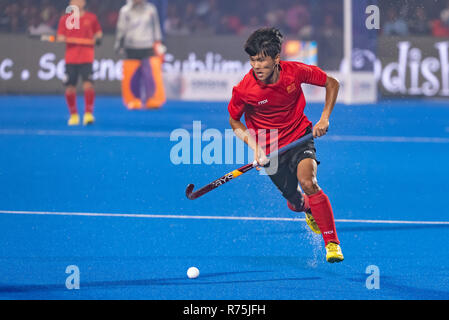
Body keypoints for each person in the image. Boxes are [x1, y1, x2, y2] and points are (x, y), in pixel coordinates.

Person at [228, 28, 343, 263]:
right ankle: (308, 209)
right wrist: (256, 148)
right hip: (269, 150)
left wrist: (324, 118)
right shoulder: (245, 89)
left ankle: (332, 243)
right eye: (252, 60)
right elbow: (234, 121)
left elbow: (332, 83)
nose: (256, 66)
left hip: (300, 136)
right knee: (296, 201)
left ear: (276, 59)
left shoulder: (295, 72)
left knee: (309, 182)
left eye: (261, 60)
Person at [57, 0, 103, 126]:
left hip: (87, 58)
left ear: (83, 3)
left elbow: (98, 33)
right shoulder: (65, 19)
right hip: (71, 59)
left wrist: (97, 38)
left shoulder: (91, 18)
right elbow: (60, 36)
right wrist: (62, 38)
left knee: (88, 85)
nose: (75, 3)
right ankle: (74, 115)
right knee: (70, 87)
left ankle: (88, 114)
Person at [114, 0, 166, 110]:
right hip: (131, 47)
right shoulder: (125, 11)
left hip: (148, 46)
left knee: (151, 75)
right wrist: (119, 44)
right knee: (131, 77)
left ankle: (153, 99)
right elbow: (121, 29)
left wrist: (158, 43)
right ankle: (133, 100)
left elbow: (156, 28)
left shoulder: (151, 9)